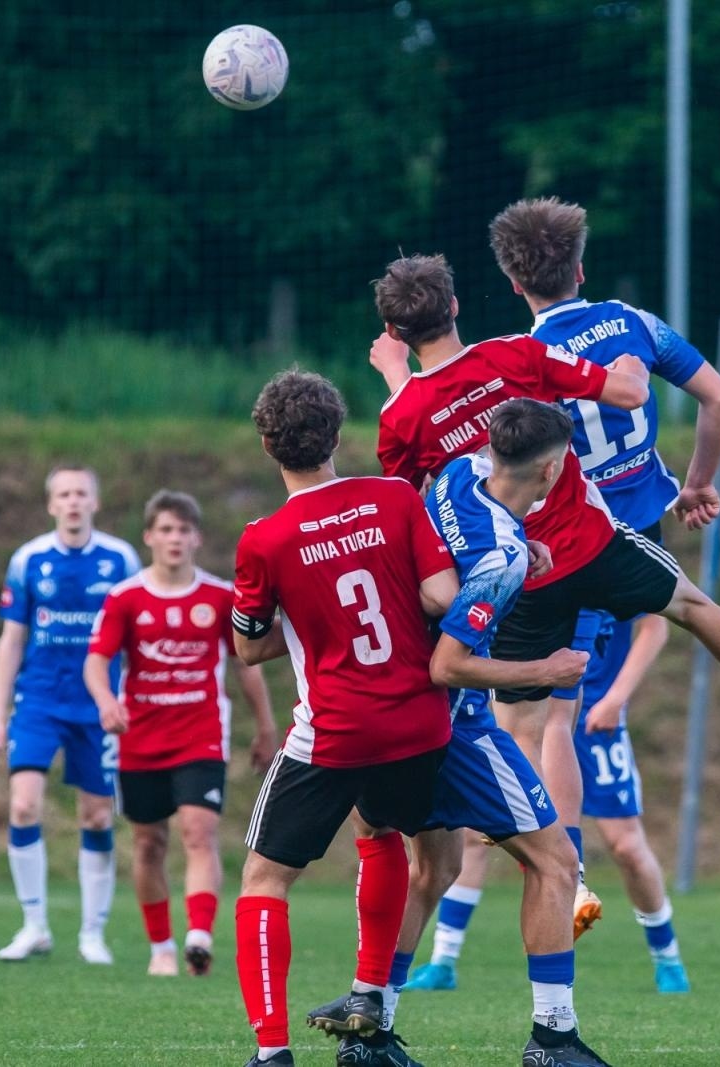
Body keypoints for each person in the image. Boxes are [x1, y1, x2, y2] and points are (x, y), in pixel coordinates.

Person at [370, 253, 720, 937]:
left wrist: (397, 381)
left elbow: (408, 501)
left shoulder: (403, 416)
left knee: (538, 723)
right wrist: (635, 367)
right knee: (694, 607)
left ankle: (562, 865)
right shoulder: (517, 354)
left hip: (514, 570)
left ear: (394, 330)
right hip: (591, 540)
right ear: (459, 304)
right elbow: (622, 391)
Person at [403, 194, 720, 988]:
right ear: (580, 266)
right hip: (637, 533)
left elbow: (476, 446)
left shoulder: (517, 360)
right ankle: (519, 910)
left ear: (514, 282)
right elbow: (718, 401)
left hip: (553, 547)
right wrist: (695, 485)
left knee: (529, 720)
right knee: (564, 709)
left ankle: (567, 879)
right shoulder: (632, 322)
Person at [314, 399, 615, 1067]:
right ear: (547, 468)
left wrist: (517, 542)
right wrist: (547, 665)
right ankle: (553, 1039)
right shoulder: (500, 556)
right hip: (451, 724)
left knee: (437, 866)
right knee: (555, 862)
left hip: (377, 706)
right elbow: (447, 662)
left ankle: (370, 1025)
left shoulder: (454, 475)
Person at [228, 370, 459, 1067]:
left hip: (337, 728)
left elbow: (247, 644)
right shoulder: (394, 497)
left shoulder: (264, 539)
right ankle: (367, 999)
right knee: (381, 830)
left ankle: (272, 1053)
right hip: (420, 724)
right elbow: (439, 596)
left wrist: (308, 619)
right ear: (336, 434)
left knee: (264, 879)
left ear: (269, 443)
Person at [406, 613, 691, 998]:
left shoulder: (607, 565)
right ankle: (443, 959)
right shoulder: (524, 573)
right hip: (531, 704)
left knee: (625, 844)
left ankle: (667, 957)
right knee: (475, 836)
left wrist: (617, 697)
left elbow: (657, 623)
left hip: (596, 716)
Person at [84, 490, 277, 976]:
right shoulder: (125, 598)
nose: (175, 538)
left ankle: (198, 936)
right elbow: (96, 660)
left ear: (197, 538)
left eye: (184, 530)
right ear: (149, 537)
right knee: (149, 843)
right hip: (139, 738)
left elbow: (246, 667)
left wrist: (266, 727)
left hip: (201, 734)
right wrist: (107, 702)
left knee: (199, 830)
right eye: (166, 530)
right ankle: (161, 948)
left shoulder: (218, 597)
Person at [0, 465, 140, 965]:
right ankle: (34, 926)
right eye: (64, 495)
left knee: (95, 815)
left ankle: (92, 933)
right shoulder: (28, 560)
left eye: (82, 494)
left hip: (99, 705)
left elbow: (137, 636)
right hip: (40, 700)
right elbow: (11, 640)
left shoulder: (120, 559)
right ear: (51, 504)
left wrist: (133, 698)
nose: (73, 502)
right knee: (24, 806)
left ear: (95, 502)